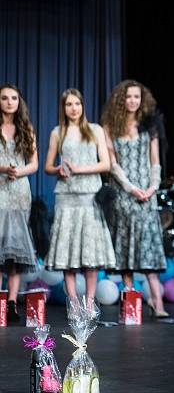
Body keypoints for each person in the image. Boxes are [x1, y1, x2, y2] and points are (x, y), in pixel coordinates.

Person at [101, 80, 168, 317]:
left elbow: (155, 161)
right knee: (125, 248)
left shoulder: (150, 124)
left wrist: (152, 188)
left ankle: (158, 304)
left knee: (149, 248)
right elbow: (112, 164)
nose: (132, 101)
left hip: (146, 194)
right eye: (128, 96)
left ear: (142, 99)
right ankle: (130, 300)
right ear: (121, 99)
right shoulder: (110, 125)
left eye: (136, 97)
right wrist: (131, 189)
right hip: (123, 193)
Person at [44, 88, 116, 304]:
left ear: (83, 106)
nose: (73, 108)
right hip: (66, 196)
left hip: (89, 196)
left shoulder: (95, 130)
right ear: (63, 108)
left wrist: (79, 168)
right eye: (69, 104)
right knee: (68, 252)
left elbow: (106, 163)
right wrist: (58, 169)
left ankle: (90, 300)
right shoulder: (58, 132)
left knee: (90, 251)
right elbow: (47, 166)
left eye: (77, 104)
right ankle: (74, 302)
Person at [0, 85, 39, 323]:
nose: (9, 102)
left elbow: (34, 164)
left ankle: (12, 303)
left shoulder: (26, 128)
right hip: (0, 189)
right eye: (4, 98)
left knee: (15, 252)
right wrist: (4, 169)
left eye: (13, 98)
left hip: (20, 191)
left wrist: (18, 172)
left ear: (19, 102)